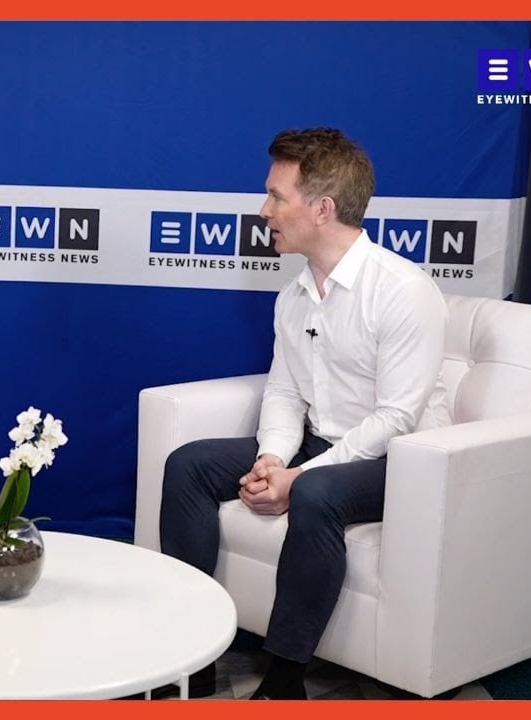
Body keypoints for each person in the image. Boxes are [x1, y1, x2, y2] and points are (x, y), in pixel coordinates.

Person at [157, 128, 448, 699]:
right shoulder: (293, 296)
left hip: (402, 459)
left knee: (317, 493)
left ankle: (285, 680)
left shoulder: (402, 290)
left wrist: (299, 478)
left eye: (276, 196)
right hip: (321, 445)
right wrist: (272, 459)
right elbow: (286, 392)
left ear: (322, 208)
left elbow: (396, 418)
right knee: (189, 464)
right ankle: (192, 660)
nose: (263, 211)